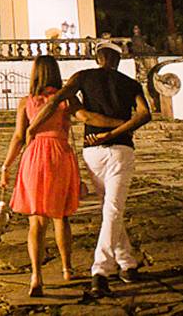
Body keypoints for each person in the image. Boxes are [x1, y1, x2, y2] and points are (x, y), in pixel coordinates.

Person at [27, 41, 152, 298]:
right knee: (113, 208)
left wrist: (33, 127)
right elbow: (145, 114)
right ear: (118, 59)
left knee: (110, 208)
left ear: (98, 57)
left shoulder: (82, 76)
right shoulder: (131, 84)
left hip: (91, 151)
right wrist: (117, 131)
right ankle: (101, 271)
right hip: (121, 149)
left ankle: (127, 263)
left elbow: (55, 102)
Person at [0, 56, 125, 296]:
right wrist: (121, 124)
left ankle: (36, 276)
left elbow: (18, 136)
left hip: (34, 156)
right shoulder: (67, 100)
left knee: (36, 220)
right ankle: (67, 268)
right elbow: (87, 117)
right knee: (61, 216)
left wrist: (6, 166)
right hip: (60, 155)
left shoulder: (26, 102)